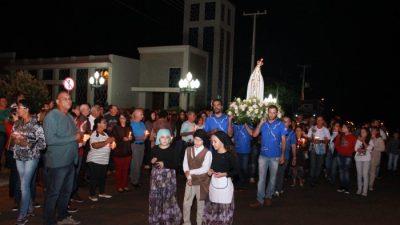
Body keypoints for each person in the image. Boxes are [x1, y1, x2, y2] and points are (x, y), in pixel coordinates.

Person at [43, 91, 81, 225]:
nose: (69, 101)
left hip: (70, 161)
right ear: (58, 102)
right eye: (65, 99)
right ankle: (49, 220)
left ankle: (63, 216)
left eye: (70, 98)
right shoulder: (52, 116)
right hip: (57, 163)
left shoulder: (70, 116)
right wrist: (74, 137)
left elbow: (75, 134)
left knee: (66, 192)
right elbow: (50, 139)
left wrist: (79, 135)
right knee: (54, 193)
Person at [10, 99, 46, 225]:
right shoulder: (17, 124)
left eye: (19, 107)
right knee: (24, 185)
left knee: (24, 185)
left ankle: (23, 215)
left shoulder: (36, 125)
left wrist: (27, 142)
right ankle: (30, 208)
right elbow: (13, 141)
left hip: (31, 157)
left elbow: (42, 144)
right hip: (19, 157)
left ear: (26, 109)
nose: (17, 110)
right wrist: (16, 139)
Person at [250, 105, 287, 208]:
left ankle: (268, 197)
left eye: (274, 112)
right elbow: (254, 135)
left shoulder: (280, 124)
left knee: (272, 178)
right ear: (267, 112)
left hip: (275, 156)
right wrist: (260, 123)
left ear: (277, 113)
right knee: (261, 179)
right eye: (270, 112)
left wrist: (283, 155)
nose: (271, 114)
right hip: (263, 156)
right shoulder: (263, 123)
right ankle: (259, 199)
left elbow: (283, 140)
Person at [202, 131, 238, 225]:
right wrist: (210, 171)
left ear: (222, 141)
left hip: (225, 186)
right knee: (213, 207)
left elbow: (236, 171)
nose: (212, 144)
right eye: (212, 141)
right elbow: (212, 168)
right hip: (214, 185)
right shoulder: (213, 154)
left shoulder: (229, 155)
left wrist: (225, 174)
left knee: (224, 210)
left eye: (215, 141)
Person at [148, 129, 182, 225]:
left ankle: (168, 218)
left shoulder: (173, 149)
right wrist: (151, 160)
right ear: (158, 138)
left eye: (167, 137)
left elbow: (176, 164)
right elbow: (149, 161)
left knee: (168, 198)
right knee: (157, 198)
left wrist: (165, 163)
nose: (165, 139)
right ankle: (156, 218)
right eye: (162, 137)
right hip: (156, 178)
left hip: (168, 177)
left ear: (170, 139)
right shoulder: (155, 148)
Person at [182, 129, 212, 225]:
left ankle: (199, 222)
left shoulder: (207, 153)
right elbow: (185, 164)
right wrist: (189, 178)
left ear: (204, 141)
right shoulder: (188, 149)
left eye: (200, 140)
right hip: (190, 181)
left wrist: (189, 172)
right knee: (186, 203)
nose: (197, 142)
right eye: (195, 139)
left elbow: (204, 169)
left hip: (202, 182)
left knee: (201, 205)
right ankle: (186, 222)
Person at [87, 117, 115, 201]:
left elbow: (108, 145)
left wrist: (112, 144)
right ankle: (92, 195)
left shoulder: (105, 134)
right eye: (104, 122)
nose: (106, 124)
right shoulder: (95, 134)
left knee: (102, 178)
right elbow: (94, 145)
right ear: (98, 124)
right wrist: (107, 142)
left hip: (104, 160)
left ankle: (102, 193)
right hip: (95, 160)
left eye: (106, 122)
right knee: (94, 178)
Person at [228, 118, 253, 189]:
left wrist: (246, 124)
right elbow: (230, 134)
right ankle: (240, 182)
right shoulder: (235, 123)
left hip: (246, 150)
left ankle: (244, 181)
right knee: (237, 167)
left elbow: (252, 133)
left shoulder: (249, 123)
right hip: (237, 149)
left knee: (244, 167)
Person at [111, 113, 133, 192]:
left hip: (127, 151)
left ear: (126, 119)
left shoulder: (129, 127)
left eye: (123, 118)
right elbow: (113, 138)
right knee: (119, 170)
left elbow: (132, 137)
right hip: (119, 151)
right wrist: (122, 139)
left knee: (126, 170)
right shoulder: (116, 127)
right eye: (120, 118)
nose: (122, 119)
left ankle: (125, 185)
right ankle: (119, 186)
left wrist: (131, 138)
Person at [275, 116, 296, 196]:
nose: (285, 123)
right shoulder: (277, 130)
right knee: (275, 173)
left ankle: (278, 189)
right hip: (275, 154)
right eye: (283, 121)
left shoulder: (291, 133)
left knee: (281, 172)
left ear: (290, 123)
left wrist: (294, 157)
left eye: (287, 121)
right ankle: (277, 188)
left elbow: (293, 146)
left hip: (285, 156)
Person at [307, 116, 330, 186]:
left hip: (321, 148)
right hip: (313, 147)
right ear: (316, 121)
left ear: (323, 121)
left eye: (320, 120)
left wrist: (321, 141)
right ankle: (311, 179)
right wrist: (312, 140)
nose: (319, 121)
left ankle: (316, 178)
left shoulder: (326, 130)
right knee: (313, 165)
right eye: (318, 120)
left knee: (319, 165)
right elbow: (308, 138)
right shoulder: (312, 128)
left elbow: (327, 140)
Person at [335, 122, 357, 194]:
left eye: (344, 127)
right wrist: (339, 150)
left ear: (348, 128)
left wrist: (349, 152)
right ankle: (342, 186)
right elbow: (336, 144)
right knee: (341, 171)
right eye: (343, 127)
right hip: (340, 155)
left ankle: (346, 187)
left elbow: (354, 147)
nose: (343, 128)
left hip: (348, 156)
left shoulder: (353, 137)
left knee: (346, 171)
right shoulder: (340, 136)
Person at [130, 108, 149, 188]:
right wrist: (143, 137)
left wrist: (146, 135)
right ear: (136, 115)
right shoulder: (132, 124)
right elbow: (132, 136)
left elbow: (146, 132)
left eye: (142, 114)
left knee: (139, 163)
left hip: (142, 145)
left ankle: (134, 177)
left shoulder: (142, 123)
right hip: (135, 145)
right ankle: (134, 181)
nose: (142, 116)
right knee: (136, 163)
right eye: (141, 114)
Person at [354, 127, 374, 196]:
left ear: (367, 133)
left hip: (366, 159)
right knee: (359, 174)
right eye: (361, 132)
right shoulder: (358, 140)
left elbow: (370, 148)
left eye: (363, 132)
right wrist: (360, 148)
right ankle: (359, 189)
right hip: (358, 158)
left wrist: (363, 141)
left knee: (365, 174)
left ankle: (365, 191)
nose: (362, 133)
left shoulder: (370, 140)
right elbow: (356, 148)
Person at [369, 127, 385, 191]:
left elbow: (382, 148)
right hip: (367, 157)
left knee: (372, 172)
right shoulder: (369, 137)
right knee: (367, 171)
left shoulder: (379, 139)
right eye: (372, 130)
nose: (373, 131)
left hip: (375, 157)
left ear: (377, 132)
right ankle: (366, 183)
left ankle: (370, 185)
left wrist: (374, 148)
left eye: (374, 131)